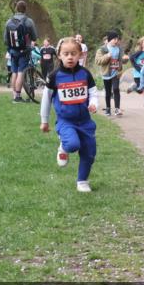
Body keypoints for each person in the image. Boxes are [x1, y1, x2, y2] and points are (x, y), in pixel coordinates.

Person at [40, 36, 99, 192]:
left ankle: (82, 181)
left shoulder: (85, 74)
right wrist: (44, 121)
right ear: (59, 55)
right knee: (73, 144)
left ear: (80, 55)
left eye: (73, 53)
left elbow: (93, 93)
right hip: (65, 121)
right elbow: (46, 99)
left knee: (89, 152)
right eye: (66, 54)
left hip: (85, 121)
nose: (70, 57)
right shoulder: (54, 76)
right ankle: (64, 147)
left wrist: (93, 104)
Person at [4, 0, 37, 102]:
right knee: (21, 72)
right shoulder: (28, 21)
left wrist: (11, 48)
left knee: (14, 72)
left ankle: (14, 95)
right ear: (25, 9)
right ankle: (18, 96)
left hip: (12, 51)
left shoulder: (8, 22)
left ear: (16, 8)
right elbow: (34, 37)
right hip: (24, 51)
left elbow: (5, 40)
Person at [98, 31, 125, 116]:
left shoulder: (119, 49)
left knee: (116, 89)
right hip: (106, 73)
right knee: (108, 92)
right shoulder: (103, 49)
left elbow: (121, 61)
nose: (116, 41)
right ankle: (108, 108)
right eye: (114, 39)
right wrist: (107, 56)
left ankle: (117, 109)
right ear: (110, 39)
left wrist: (125, 59)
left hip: (116, 73)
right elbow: (98, 61)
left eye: (117, 39)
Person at [128, 36, 144, 110]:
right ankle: (134, 87)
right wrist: (137, 67)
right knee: (140, 90)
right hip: (138, 74)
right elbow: (131, 58)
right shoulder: (139, 53)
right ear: (142, 44)